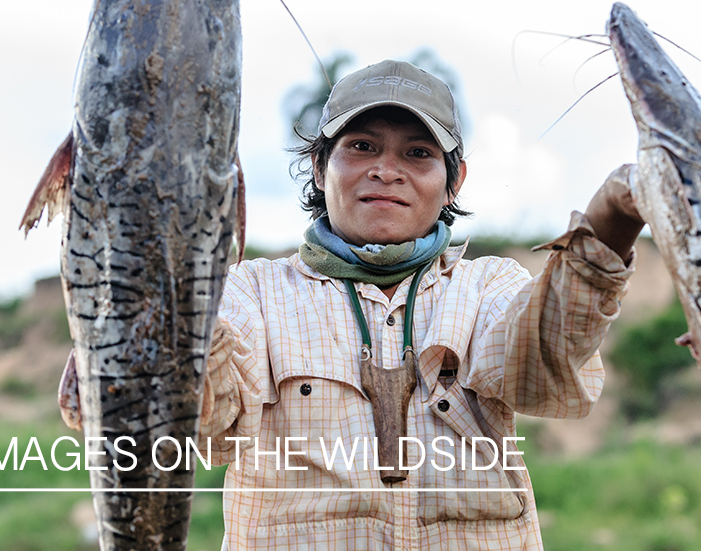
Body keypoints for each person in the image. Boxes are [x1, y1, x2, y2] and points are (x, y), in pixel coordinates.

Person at [198, 59, 644, 549]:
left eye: (417, 153)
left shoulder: (487, 286)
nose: (386, 171)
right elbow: (200, 412)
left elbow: (541, 365)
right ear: (320, 166)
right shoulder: (251, 292)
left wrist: (612, 224)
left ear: (454, 181)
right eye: (362, 146)